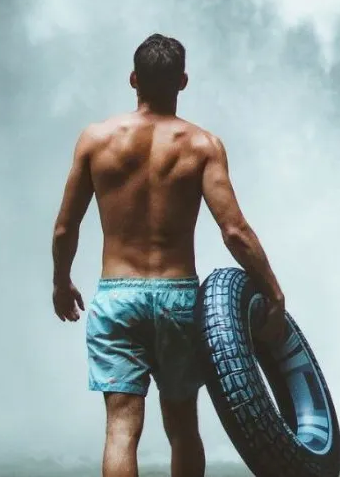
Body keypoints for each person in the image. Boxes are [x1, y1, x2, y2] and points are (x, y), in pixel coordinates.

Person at [52, 33, 285, 477]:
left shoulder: (95, 140)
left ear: (133, 79)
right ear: (183, 81)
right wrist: (273, 292)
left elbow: (65, 227)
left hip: (117, 296)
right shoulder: (202, 146)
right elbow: (234, 231)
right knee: (182, 426)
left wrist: (61, 282)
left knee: (121, 428)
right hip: (179, 297)